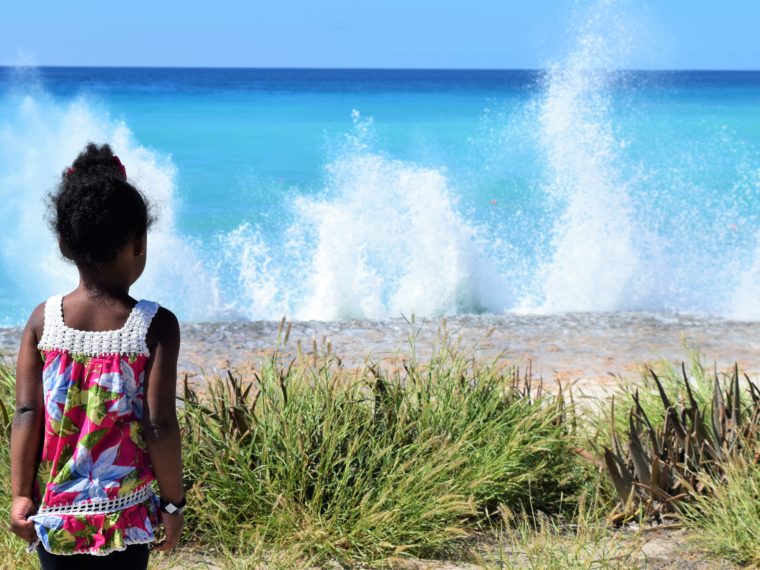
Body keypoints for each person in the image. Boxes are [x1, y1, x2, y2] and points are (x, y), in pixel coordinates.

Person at [8, 143, 184, 569]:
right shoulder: (155, 326)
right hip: (126, 517)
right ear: (139, 242)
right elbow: (159, 424)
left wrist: (20, 494)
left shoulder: (42, 321)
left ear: (65, 244)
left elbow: (27, 411)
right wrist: (173, 504)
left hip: (55, 514)